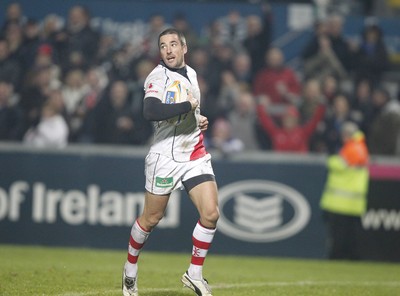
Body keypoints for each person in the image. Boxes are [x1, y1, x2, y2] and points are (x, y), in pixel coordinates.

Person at [122, 28, 219, 296]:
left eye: (173, 44)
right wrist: (186, 108)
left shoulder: (191, 74)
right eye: (163, 46)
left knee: (211, 214)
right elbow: (150, 111)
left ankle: (194, 274)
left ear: (184, 48)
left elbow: (190, 109)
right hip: (165, 157)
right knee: (151, 218)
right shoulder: (157, 76)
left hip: (194, 153)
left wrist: (197, 119)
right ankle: (130, 269)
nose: (168, 50)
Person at [320, 122, 369, 260]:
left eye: (344, 134)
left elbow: (340, 165)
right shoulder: (359, 146)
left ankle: (339, 257)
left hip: (342, 202)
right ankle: (349, 257)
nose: (343, 137)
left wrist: (330, 159)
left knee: (340, 235)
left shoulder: (353, 148)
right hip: (352, 202)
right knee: (350, 235)